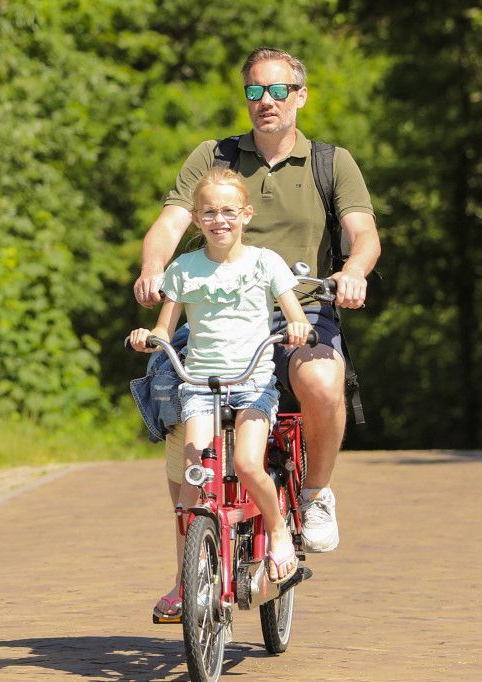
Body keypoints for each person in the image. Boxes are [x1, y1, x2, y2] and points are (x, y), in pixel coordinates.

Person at [133, 47, 380, 569]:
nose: (265, 101)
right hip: (213, 311)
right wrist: (153, 267)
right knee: (170, 394)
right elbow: (171, 223)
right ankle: (192, 566)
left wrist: (353, 271)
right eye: (254, 91)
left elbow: (364, 235)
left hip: (299, 308)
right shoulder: (213, 156)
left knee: (321, 382)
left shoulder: (330, 162)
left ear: (300, 96)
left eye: (277, 90)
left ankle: (314, 494)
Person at [129, 167, 311, 620]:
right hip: (198, 385)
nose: (220, 219)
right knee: (193, 481)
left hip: (252, 384)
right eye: (209, 212)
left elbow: (292, 312)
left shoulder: (265, 262)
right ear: (195, 219)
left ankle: (277, 531)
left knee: (249, 464)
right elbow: (165, 328)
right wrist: (148, 336)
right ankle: (191, 578)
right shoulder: (184, 268)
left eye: (229, 211)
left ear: (246, 215)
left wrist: (298, 325)